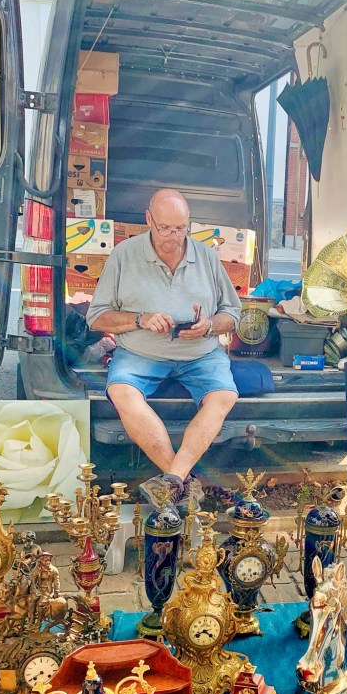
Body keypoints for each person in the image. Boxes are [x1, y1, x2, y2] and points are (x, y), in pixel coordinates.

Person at [86, 188, 241, 508]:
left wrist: (209, 326)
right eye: (165, 228)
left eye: (181, 228)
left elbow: (232, 314)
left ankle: (171, 481)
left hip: (200, 353)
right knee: (121, 392)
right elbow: (97, 317)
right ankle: (183, 482)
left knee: (224, 396)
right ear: (148, 219)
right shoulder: (124, 254)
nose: (174, 236)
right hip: (140, 352)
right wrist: (140, 319)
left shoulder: (206, 256)